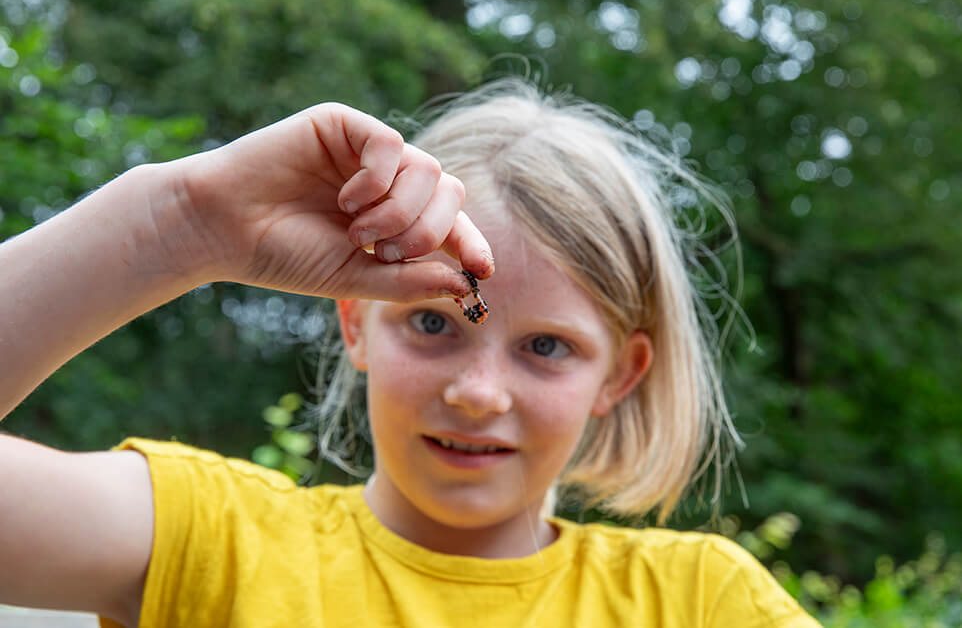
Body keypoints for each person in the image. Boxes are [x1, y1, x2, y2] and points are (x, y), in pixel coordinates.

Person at [0, 78, 820, 627]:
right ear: (356, 323)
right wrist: (180, 225)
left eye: (546, 346)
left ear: (621, 374)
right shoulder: (215, 541)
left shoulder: (704, 603)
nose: (477, 392)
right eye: (434, 325)